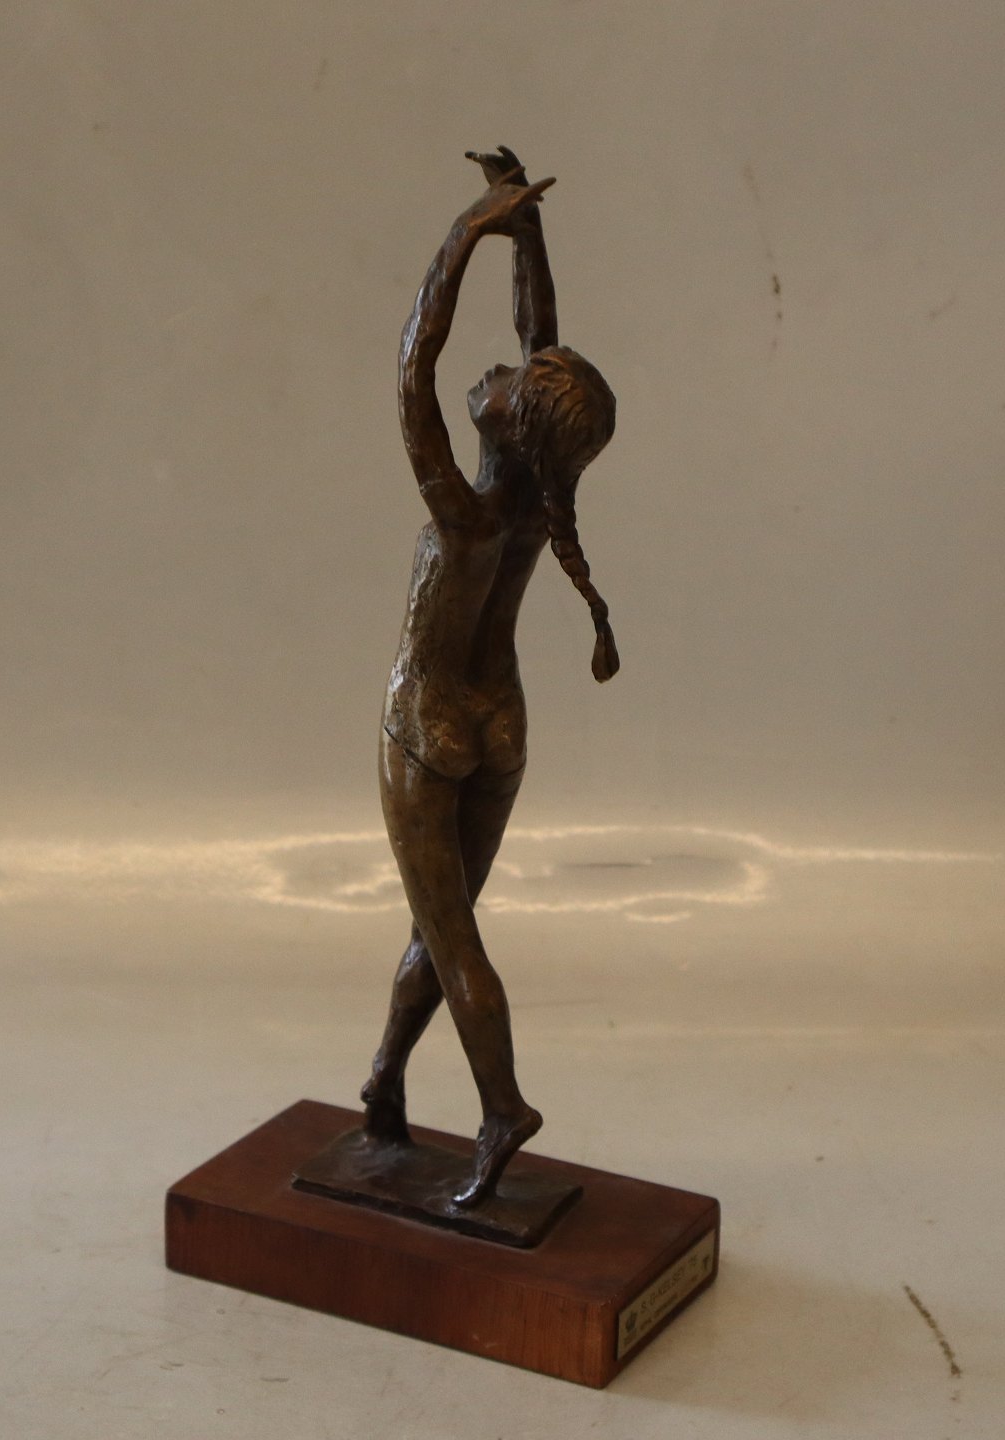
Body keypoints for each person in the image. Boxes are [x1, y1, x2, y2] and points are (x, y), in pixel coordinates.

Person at [360, 147, 618, 1207]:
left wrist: (466, 231)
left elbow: (413, 369)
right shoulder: (532, 504)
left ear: (510, 422)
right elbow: (539, 342)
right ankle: (382, 1082)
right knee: (441, 921)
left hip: (428, 728)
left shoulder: (463, 516)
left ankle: (501, 1107)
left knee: (453, 935)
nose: (496, 372)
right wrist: (528, 232)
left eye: (506, 383)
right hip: (499, 725)